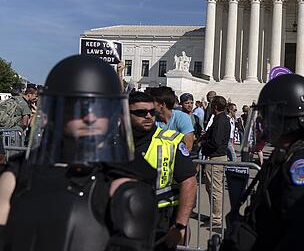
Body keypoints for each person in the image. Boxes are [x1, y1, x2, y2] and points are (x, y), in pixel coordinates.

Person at [0, 54, 156, 250]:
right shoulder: (18, 175)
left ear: (113, 115)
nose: (90, 117)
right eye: (79, 107)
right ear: (57, 111)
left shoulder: (122, 189)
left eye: (100, 109)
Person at [223, 74, 304, 251]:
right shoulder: (296, 153)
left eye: (268, 115)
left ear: (284, 118)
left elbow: (302, 236)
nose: (263, 123)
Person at [128, 91, 197, 250]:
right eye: (141, 112)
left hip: (160, 223)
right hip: (123, 220)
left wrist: (180, 226)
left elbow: (189, 182)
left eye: (152, 112)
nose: (148, 116)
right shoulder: (115, 142)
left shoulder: (171, 141)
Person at [200, 95, 230, 228]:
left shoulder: (220, 120)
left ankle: (216, 218)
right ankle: (214, 215)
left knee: (215, 189)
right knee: (211, 188)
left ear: (215, 107)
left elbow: (216, 142)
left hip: (216, 157)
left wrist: (204, 143)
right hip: (215, 157)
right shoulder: (221, 119)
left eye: (212, 105)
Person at [149, 86, 195, 151]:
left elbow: (188, 147)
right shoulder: (151, 119)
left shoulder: (182, 118)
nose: (149, 105)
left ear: (162, 104)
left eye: (152, 103)